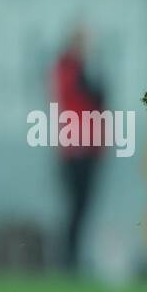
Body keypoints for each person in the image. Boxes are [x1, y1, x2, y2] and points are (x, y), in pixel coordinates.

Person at [51, 27, 106, 271]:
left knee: (81, 207)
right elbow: (93, 94)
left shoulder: (74, 69)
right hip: (77, 147)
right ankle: (69, 258)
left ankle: (72, 256)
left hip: (86, 146)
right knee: (76, 205)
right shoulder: (69, 69)